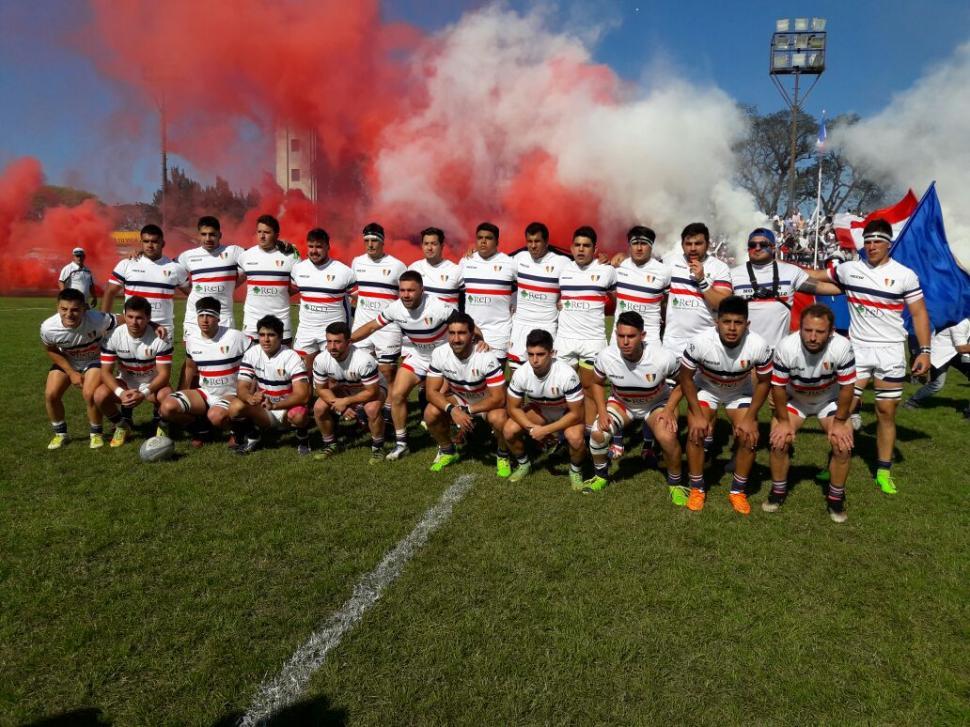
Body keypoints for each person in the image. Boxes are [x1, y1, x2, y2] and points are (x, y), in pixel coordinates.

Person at [805, 218, 932, 494]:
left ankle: (883, 471)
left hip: (890, 351)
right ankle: (835, 462)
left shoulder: (905, 275)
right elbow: (817, 277)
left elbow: (920, 312)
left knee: (886, 412)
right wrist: (782, 274)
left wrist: (924, 351)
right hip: (858, 350)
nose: (872, 246)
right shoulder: (850, 269)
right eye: (868, 241)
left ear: (889, 244)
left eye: (877, 241)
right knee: (845, 410)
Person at [679, 295, 773, 514]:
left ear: (747, 324)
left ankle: (737, 492)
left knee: (749, 437)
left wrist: (750, 417)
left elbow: (765, 382)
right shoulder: (700, 342)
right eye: (726, 322)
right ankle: (697, 488)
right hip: (707, 390)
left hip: (739, 393)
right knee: (696, 431)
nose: (732, 328)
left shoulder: (758, 345)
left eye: (738, 322)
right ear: (716, 322)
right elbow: (685, 378)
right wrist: (697, 413)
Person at [766, 304, 857, 522]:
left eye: (820, 332)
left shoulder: (843, 346)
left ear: (831, 331)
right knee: (779, 440)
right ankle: (778, 491)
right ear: (800, 328)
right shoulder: (786, 346)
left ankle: (835, 499)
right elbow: (777, 387)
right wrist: (783, 421)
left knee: (842, 445)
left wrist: (840, 422)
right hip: (796, 400)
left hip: (828, 400)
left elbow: (847, 388)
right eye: (807, 330)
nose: (813, 337)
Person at [351, 270, 454, 460]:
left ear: (422, 290)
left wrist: (479, 341)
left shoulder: (437, 307)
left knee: (438, 401)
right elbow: (372, 326)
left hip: (443, 359)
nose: (406, 295)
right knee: (397, 394)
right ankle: (401, 444)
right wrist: (349, 340)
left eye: (411, 290)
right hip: (418, 356)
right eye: (402, 290)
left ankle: (446, 443)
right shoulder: (396, 308)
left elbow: (465, 324)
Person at [584, 312, 685, 503]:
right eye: (621, 336)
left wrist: (669, 408)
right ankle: (601, 476)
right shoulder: (606, 356)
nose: (625, 342)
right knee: (598, 433)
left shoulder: (662, 357)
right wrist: (602, 410)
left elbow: (684, 383)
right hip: (623, 403)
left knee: (667, 436)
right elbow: (596, 383)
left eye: (631, 336)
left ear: (643, 335)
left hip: (656, 404)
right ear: (615, 335)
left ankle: (676, 484)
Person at [424, 312, 516, 475]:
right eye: (452, 333)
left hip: (486, 401)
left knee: (499, 418)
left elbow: (499, 398)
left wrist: (467, 411)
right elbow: (431, 392)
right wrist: (453, 410)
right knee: (430, 412)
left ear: (472, 335)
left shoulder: (486, 357)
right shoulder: (440, 353)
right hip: (460, 398)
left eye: (461, 333)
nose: (456, 339)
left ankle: (502, 454)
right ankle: (448, 451)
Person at [158, 297, 250, 447]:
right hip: (206, 393)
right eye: (201, 316)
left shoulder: (236, 337)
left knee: (216, 416)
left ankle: (239, 430)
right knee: (167, 407)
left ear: (219, 318)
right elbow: (189, 367)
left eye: (210, 316)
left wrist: (250, 391)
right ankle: (201, 429)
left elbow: (255, 362)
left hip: (232, 393)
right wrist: (183, 391)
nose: (205, 320)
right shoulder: (192, 340)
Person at [730, 227, 841, 348]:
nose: (757, 248)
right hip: (743, 351)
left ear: (773, 248)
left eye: (763, 244)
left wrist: (856, 282)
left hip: (779, 353)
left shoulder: (790, 272)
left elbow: (825, 287)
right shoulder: (732, 274)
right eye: (752, 244)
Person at [504, 328, 587, 487]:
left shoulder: (567, 375)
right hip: (540, 411)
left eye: (540, 354)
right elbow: (513, 408)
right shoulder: (521, 374)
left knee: (575, 439)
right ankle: (524, 464)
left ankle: (575, 470)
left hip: (566, 412)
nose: (535, 360)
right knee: (509, 430)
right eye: (531, 354)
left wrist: (545, 430)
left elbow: (577, 414)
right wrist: (531, 428)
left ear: (552, 353)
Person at [40, 288, 118, 449]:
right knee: (51, 394)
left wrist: (152, 323)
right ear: (57, 307)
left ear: (84, 308)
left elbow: (124, 319)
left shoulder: (98, 319)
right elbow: (51, 350)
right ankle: (61, 434)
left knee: (89, 393)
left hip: (95, 359)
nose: (69, 314)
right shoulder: (48, 328)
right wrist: (70, 372)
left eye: (75, 309)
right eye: (64, 309)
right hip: (69, 360)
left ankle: (95, 433)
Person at [555, 226, 617, 427]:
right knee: (563, 388)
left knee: (590, 389)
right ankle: (566, 434)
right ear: (571, 247)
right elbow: (556, 296)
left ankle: (591, 434)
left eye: (586, 246)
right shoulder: (562, 268)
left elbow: (618, 303)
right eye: (577, 245)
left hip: (593, 340)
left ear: (594, 249)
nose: (581, 250)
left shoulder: (606, 270)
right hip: (565, 339)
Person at [175, 216, 246, 389]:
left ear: (220, 234)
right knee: (192, 358)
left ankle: (224, 399)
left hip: (223, 315)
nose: (208, 238)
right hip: (194, 316)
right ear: (198, 235)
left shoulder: (234, 252)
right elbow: (168, 270)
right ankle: (184, 399)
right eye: (204, 234)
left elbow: (254, 262)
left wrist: (230, 286)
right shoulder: (187, 256)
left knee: (224, 357)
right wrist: (191, 292)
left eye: (212, 234)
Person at [94, 295, 174, 447]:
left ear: (148, 317)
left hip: (152, 384)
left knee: (167, 396)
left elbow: (164, 375)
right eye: (130, 317)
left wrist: (143, 393)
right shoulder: (113, 336)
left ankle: (162, 425)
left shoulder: (161, 338)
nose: (134, 322)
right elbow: (105, 372)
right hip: (126, 382)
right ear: (124, 315)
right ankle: (122, 425)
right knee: (99, 395)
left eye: (139, 318)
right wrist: (121, 393)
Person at [229, 314, 311, 455]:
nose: (266, 339)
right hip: (264, 411)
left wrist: (276, 406)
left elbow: (302, 396)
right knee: (235, 406)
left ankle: (303, 439)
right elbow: (241, 387)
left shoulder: (291, 357)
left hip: (287, 411)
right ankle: (253, 437)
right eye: (262, 335)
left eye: (271, 335)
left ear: (280, 337)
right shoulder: (252, 354)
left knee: (299, 415)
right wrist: (250, 398)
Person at [312, 322, 388, 462]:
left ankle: (378, 447)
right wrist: (341, 406)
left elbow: (372, 392)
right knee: (319, 407)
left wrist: (346, 402)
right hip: (345, 389)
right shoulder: (321, 359)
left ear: (348, 342)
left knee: (372, 409)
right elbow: (321, 389)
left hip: (372, 389)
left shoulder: (363, 360)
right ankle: (330, 445)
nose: (332, 347)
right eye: (329, 342)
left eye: (337, 342)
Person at [350, 222, 407, 402]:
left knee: (388, 371)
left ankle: (390, 410)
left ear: (382, 242)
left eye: (374, 240)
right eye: (366, 240)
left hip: (388, 327)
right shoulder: (357, 262)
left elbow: (405, 296)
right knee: (360, 369)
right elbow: (354, 293)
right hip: (362, 325)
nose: (370, 244)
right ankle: (366, 406)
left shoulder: (398, 266)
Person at [662, 222, 733, 359]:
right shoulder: (669, 262)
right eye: (688, 244)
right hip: (673, 341)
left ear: (707, 244)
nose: (693, 248)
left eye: (698, 243)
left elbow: (722, 304)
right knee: (672, 380)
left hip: (706, 339)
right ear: (682, 245)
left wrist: (702, 281)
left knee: (702, 381)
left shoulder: (719, 267)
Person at [291, 227, 356, 370]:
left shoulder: (344, 271)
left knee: (332, 379)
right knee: (302, 377)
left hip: (333, 334)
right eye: (311, 246)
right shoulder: (298, 269)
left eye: (319, 247)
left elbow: (360, 298)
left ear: (328, 247)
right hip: (305, 331)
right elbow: (287, 291)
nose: (314, 251)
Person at [102, 224, 189, 330]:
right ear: (141, 243)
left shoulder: (175, 268)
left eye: (154, 241)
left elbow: (193, 294)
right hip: (132, 326)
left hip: (163, 329)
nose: (150, 245)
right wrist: (103, 323)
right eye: (146, 241)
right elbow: (110, 292)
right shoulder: (127, 264)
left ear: (163, 243)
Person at [508, 222, 569, 370]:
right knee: (516, 371)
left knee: (546, 372)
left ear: (546, 242)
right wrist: (473, 253)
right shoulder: (518, 258)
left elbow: (583, 272)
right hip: (520, 324)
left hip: (547, 325)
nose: (533, 246)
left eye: (537, 241)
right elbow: (493, 265)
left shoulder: (562, 262)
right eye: (529, 241)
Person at [459, 222, 515, 365]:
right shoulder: (466, 261)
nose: (483, 241)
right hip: (472, 329)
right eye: (480, 238)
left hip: (499, 330)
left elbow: (529, 284)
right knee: (470, 374)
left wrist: (515, 302)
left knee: (495, 377)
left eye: (488, 238)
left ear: (497, 242)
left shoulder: (510, 263)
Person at [238, 214, 299, 344]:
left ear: (277, 234)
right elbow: (232, 281)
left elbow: (299, 283)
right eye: (259, 232)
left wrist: (280, 291)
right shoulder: (246, 255)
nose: (262, 236)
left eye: (266, 232)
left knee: (284, 362)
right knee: (251, 362)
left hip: (281, 320)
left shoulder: (290, 255)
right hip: (252, 320)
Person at [612, 225, 670, 344]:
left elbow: (667, 303)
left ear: (651, 246)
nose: (639, 248)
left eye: (643, 243)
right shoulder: (618, 267)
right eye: (635, 243)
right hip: (621, 338)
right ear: (629, 245)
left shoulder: (664, 271)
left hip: (650, 339)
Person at [903, 317, 970, 415]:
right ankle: (912, 401)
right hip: (940, 353)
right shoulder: (960, 323)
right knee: (937, 384)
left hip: (955, 354)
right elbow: (962, 348)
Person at [408, 227, 463, 309]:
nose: (429, 248)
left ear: (442, 246)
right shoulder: (414, 268)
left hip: (448, 321)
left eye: (434, 244)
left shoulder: (456, 270)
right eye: (426, 244)